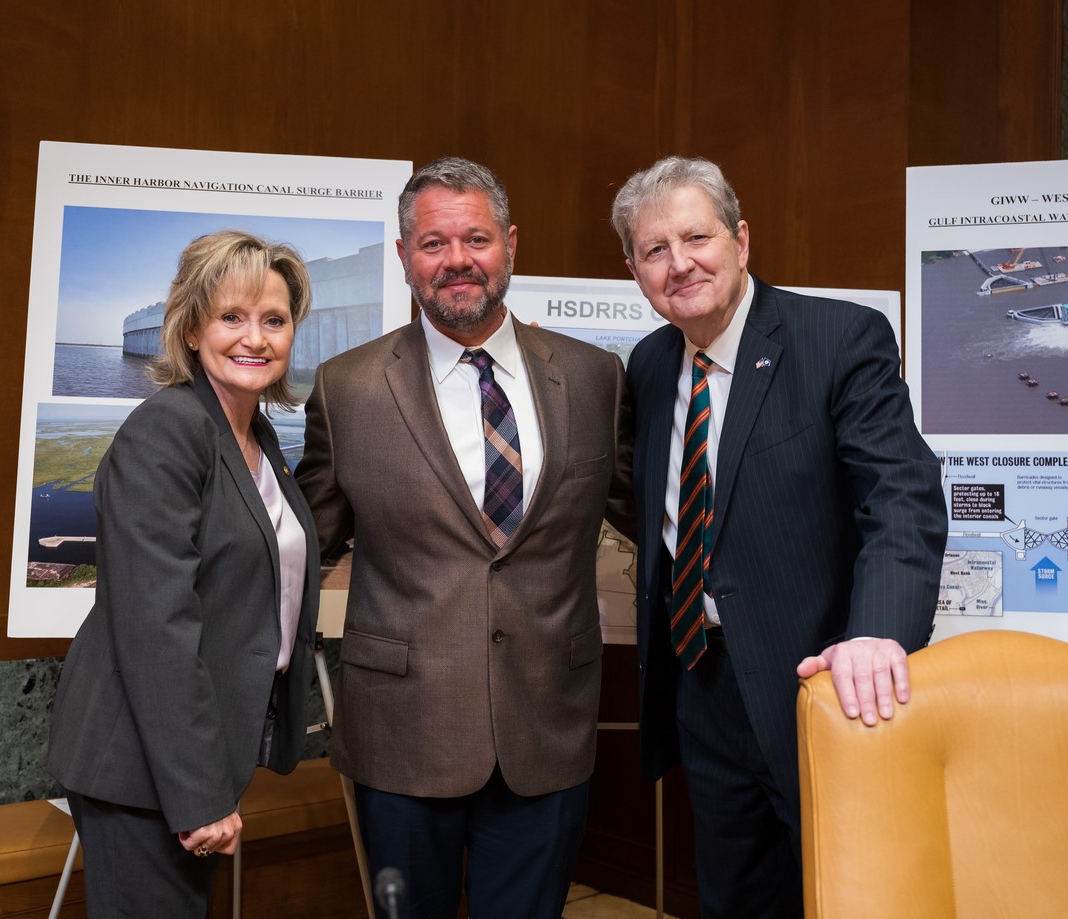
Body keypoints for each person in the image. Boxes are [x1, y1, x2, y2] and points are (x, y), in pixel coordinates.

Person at [294, 156, 633, 919]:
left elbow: (654, 515)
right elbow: (301, 542)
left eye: (475, 238)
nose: (456, 260)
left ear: (509, 244)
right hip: (401, 733)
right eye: (433, 243)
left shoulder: (594, 378)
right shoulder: (347, 388)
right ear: (403, 255)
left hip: (546, 726)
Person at [611, 156, 946, 918]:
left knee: (847, 896)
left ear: (740, 240)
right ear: (634, 270)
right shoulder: (651, 364)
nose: (678, 263)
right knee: (734, 897)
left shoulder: (837, 339)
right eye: (654, 249)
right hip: (702, 684)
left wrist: (876, 633)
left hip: (820, 687)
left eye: (695, 237)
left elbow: (902, 498)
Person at [47, 229, 322, 918]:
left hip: (193, 752)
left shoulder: (256, 436)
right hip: (142, 767)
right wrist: (199, 794)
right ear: (193, 328)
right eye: (232, 316)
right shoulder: (168, 428)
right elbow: (156, 628)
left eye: (274, 319)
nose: (254, 337)